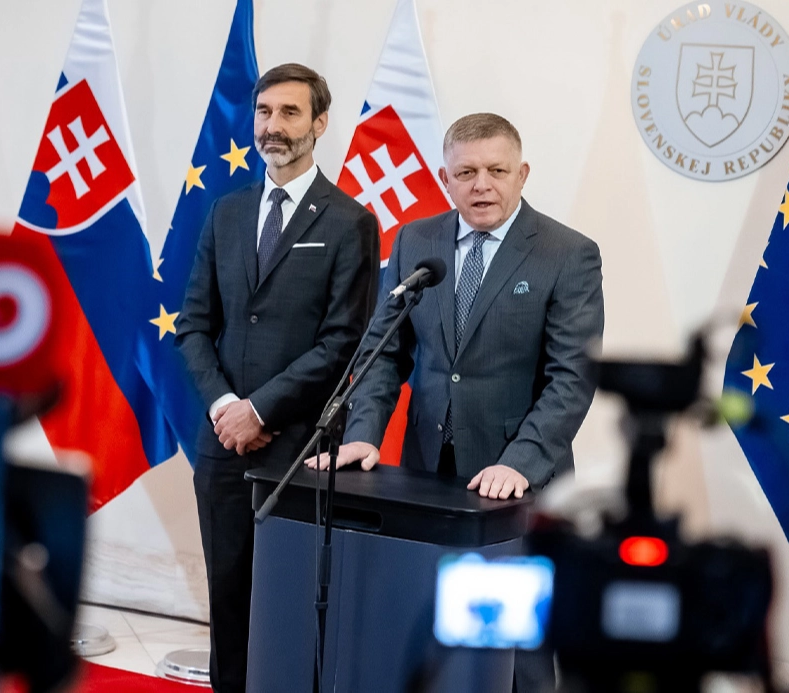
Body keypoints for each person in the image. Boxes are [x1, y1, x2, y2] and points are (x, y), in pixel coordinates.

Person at [308, 112, 603, 691]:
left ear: (522, 174)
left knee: (517, 649)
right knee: (428, 630)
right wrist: (364, 433)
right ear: (446, 179)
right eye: (466, 172)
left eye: (497, 171)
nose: (481, 185)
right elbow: (383, 351)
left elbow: (572, 377)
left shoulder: (568, 253)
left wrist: (519, 463)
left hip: (517, 483)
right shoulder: (417, 241)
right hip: (426, 475)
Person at [175, 63, 379, 693]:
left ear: (320, 123)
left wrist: (260, 411)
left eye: (290, 112)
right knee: (228, 601)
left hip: (300, 450)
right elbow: (193, 325)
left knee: (289, 608)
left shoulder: (349, 222)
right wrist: (226, 409)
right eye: (264, 112)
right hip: (223, 448)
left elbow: (342, 342)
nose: (273, 126)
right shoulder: (226, 212)